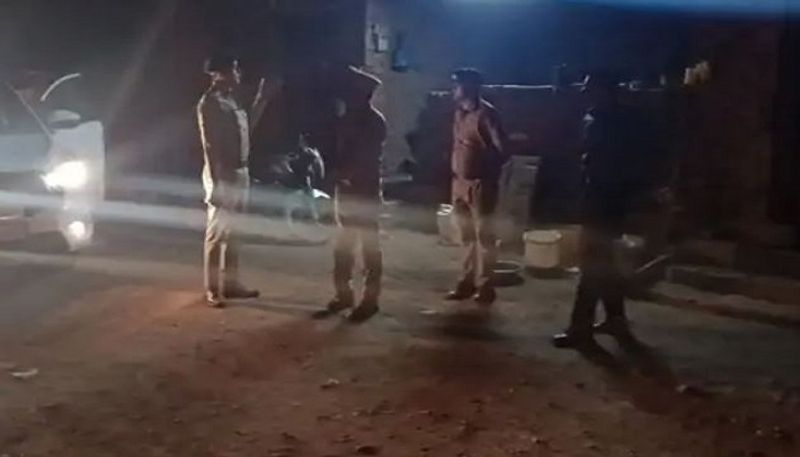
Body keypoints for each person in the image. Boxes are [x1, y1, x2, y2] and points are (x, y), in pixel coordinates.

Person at [553, 71, 655, 348]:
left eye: (591, 89)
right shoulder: (598, 117)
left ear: (606, 91)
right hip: (600, 199)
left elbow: (618, 166)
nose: (585, 93)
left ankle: (580, 329)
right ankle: (615, 319)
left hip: (606, 201)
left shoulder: (617, 123)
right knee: (605, 263)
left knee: (592, 265)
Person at [197, 54, 280, 308]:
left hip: (240, 170)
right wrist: (216, 183)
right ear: (219, 74)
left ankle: (231, 284)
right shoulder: (210, 104)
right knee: (217, 232)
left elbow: (247, 129)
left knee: (235, 231)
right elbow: (210, 146)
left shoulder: (231, 101)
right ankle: (213, 289)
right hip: (223, 172)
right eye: (233, 70)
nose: (238, 74)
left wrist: (262, 99)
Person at [322, 66, 386, 322]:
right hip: (346, 190)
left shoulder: (373, 122)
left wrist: (343, 174)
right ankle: (343, 294)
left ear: (363, 95)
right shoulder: (346, 119)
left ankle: (370, 299)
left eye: (352, 93)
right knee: (343, 245)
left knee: (369, 247)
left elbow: (366, 158)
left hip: (364, 190)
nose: (347, 96)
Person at [445, 68, 509, 306]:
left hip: (480, 185)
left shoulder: (487, 115)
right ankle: (466, 282)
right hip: (460, 183)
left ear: (471, 87)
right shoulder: (460, 113)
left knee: (484, 238)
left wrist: (485, 172)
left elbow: (504, 149)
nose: (454, 89)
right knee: (466, 236)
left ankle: (485, 287)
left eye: (457, 84)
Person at [282, 133, 325, 230]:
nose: (299, 142)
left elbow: (297, 164)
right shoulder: (312, 153)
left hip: (302, 183)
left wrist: (290, 161)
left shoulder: (308, 153)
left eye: (301, 140)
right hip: (304, 183)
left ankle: (307, 222)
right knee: (307, 204)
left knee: (301, 204)